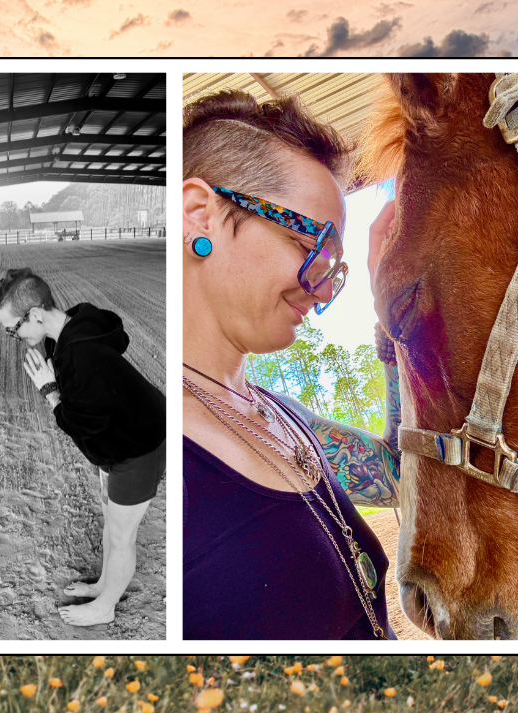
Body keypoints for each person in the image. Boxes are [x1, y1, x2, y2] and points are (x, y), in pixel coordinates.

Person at [181, 89, 397, 640]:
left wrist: (392, 317)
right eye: (313, 248)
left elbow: (396, 474)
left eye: (334, 269)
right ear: (199, 216)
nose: (323, 293)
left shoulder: (282, 417)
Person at [0, 268, 166, 627]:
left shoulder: (80, 357)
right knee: (111, 523)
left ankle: (107, 606)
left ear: (36, 315)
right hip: (127, 433)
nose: (15, 336)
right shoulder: (74, 325)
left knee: (121, 536)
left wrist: (50, 392)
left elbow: (89, 441)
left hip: (136, 450)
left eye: (13, 330)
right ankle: (104, 583)